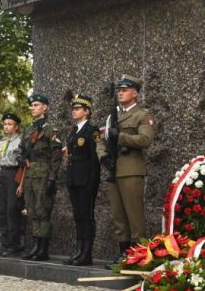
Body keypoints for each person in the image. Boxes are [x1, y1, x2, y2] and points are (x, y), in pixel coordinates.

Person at [97, 74, 155, 261]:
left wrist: (120, 137)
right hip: (114, 170)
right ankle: (124, 253)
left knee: (134, 217)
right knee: (119, 217)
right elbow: (101, 139)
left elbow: (145, 140)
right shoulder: (113, 116)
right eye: (119, 90)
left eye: (124, 90)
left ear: (135, 93)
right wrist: (103, 156)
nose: (120, 93)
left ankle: (138, 256)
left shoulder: (142, 114)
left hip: (131, 170)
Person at [17, 94, 62, 261]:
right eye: (31, 105)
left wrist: (51, 178)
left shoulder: (50, 129)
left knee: (43, 212)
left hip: (43, 176)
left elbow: (56, 155)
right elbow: (20, 151)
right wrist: (23, 159)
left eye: (36, 105)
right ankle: (36, 245)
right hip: (30, 175)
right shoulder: (29, 130)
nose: (32, 108)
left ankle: (43, 248)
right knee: (33, 211)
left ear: (45, 107)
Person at [64, 94, 101, 266]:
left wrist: (93, 181)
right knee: (78, 215)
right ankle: (78, 249)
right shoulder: (74, 131)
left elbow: (95, 158)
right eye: (73, 108)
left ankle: (86, 252)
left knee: (86, 215)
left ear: (86, 112)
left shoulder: (91, 131)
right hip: (73, 178)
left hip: (86, 179)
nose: (74, 111)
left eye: (77, 109)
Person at [0, 113, 24, 256]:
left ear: (16, 127)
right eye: (5, 124)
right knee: (1, 211)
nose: (6, 126)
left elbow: (22, 165)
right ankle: (4, 244)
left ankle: (14, 244)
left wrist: (21, 184)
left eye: (9, 124)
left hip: (14, 173)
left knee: (12, 210)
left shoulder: (20, 141)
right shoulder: (1, 141)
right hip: (2, 175)